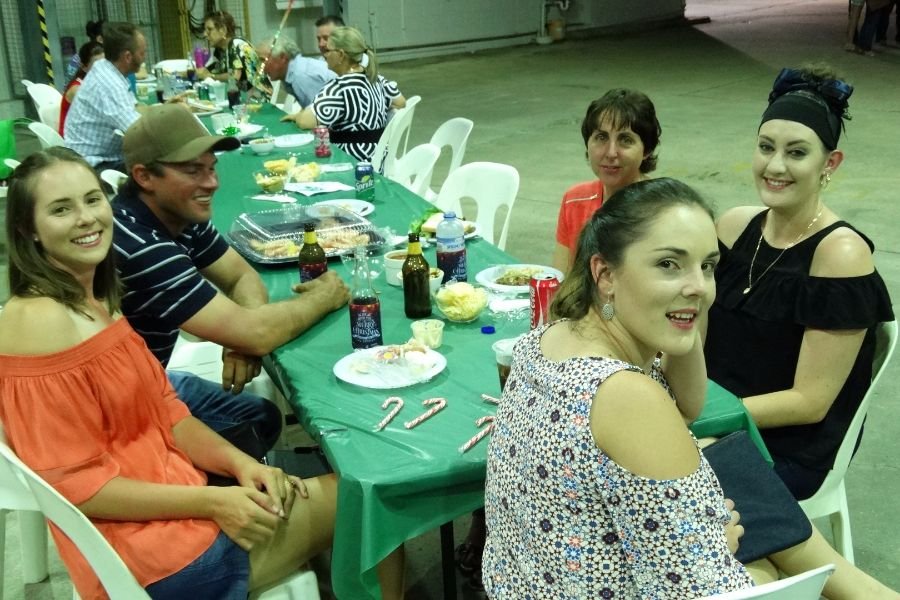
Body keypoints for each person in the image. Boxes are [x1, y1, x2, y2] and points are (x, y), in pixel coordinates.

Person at [483, 177, 899, 599]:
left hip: (525, 579)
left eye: (708, 266)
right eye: (669, 264)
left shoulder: (546, 338)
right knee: (764, 566)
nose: (699, 285)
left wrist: (684, 317)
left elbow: (688, 407)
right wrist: (719, 544)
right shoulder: (625, 395)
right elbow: (705, 590)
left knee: (731, 462)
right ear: (605, 274)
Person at [0, 147, 336, 599]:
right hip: (154, 564)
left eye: (92, 199)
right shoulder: (39, 322)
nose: (86, 218)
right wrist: (214, 501)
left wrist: (237, 464)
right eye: (61, 209)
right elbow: (76, 486)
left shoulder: (91, 297)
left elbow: (167, 411)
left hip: (174, 511)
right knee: (359, 498)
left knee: (288, 474)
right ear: (29, 231)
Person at [112, 104, 350, 455]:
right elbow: (260, 333)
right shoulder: (142, 248)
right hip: (120, 413)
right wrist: (324, 296)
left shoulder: (177, 214)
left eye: (211, 168)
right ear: (144, 176)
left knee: (259, 416)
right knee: (254, 425)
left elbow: (241, 276)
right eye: (193, 171)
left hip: (148, 379)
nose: (212, 183)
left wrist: (240, 338)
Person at [705, 66, 894, 501]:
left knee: (650, 480)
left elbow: (810, 402)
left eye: (796, 152)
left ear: (830, 163)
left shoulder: (840, 255)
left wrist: (699, 418)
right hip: (713, 413)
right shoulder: (733, 227)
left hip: (788, 446)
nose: (775, 166)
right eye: (766, 147)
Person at [551, 89, 661, 272]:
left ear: (647, 150)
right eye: (601, 137)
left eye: (625, 140)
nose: (611, 153)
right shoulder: (574, 201)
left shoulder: (662, 211)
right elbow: (563, 280)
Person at [288, 26, 406, 162]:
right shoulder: (376, 79)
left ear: (341, 55)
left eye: (328, 51)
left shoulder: (339, 87)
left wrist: (297, 116)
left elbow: (305, 122)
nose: (325, 55)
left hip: (350, 161)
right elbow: (401, 102)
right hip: (379, 160)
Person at [64, 22, 148, 172]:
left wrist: (167, 109)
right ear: (128, 57)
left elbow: (134, 110)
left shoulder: (105, 67)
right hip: (93, 165)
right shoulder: (110, 85)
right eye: (142, 53)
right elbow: (138, 132)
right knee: (161, 165)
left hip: (96, 155)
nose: (144, 58)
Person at [196, 10, 270, 100]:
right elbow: (208, 71)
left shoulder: (237, 44)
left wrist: (211, 76)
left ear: (223, 30)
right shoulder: (220, 51)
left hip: (259, 99)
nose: (205, 34)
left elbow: (234, 76)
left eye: (209, 29)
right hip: (241, 98)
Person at [257, 37, 335, 109]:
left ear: (283, 57)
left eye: (263, 60)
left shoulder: (301, 76)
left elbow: (321, 112)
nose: (261, 67)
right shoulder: (292, 72)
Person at [59, 41, 104, 136]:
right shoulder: (77, 89)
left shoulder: (96, 83)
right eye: (97, 65)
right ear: (84, 67)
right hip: (72, 139)